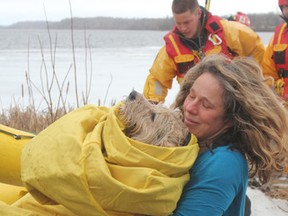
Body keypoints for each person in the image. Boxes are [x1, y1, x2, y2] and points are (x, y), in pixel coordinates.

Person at [171, 54, 288, 215]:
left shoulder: (223, 162)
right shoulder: (195, 143)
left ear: (231, 119)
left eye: (206, 105)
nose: (190, 107)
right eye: (191, 95)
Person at [143, 0, 265, 103]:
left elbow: (255, 48)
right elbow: (157, 80)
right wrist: (152, 106)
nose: (183, 28)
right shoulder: (172, 48)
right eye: (178, 23)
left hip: (231, 102)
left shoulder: (228, 32)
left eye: (187, 22)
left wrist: (248, 78)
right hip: (194, 109)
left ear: (198, 13)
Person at [262, 0, 288, 100]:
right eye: (285, 7)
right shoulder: (277, 37)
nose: (287, 11)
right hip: (282, 105)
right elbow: (267, 73)